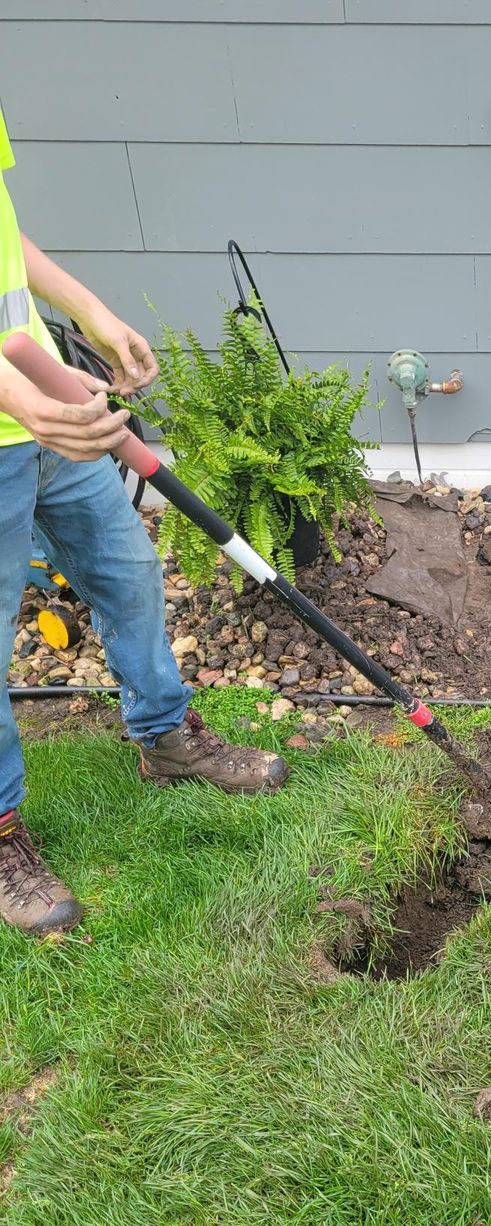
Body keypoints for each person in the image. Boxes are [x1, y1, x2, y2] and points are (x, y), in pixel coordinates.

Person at [0, 103, 289, 937]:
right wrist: (20, 401)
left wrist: (87, 309)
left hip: (49, 414)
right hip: (17, 416)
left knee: (128, 574)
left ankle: (164, 738)